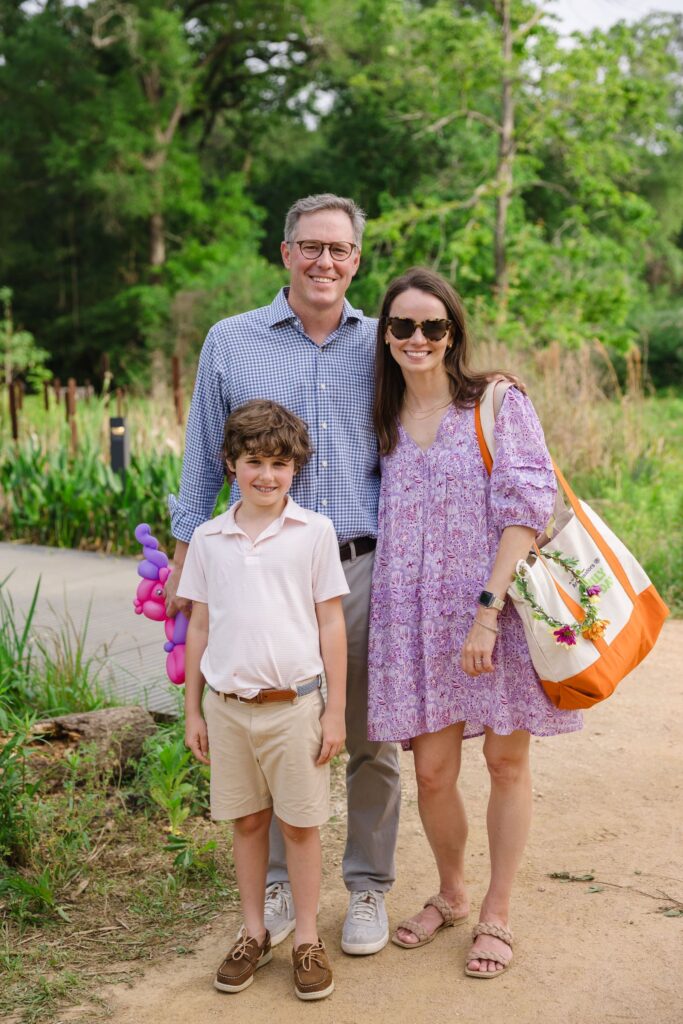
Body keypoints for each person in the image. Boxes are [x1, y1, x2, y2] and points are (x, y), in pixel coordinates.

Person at [166, 193, 400, 955]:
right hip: (255, 569)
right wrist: (181, 557)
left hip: (359, 566)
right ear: (285, 252)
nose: (323, 261)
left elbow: (435, 413)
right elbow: (204, 452)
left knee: (366, 736)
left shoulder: (386, 342)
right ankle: (270, 884)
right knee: (264, 721)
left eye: (338, 249)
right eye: (310, 247)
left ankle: (365, 888)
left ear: (356, 260)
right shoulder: (231, 342)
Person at [367, 267, 583, 978]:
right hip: (412, 620)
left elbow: (528, 505)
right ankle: (451, 892)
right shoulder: (380, 416)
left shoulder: (494, 401)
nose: (418, 337)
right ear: (386, 334)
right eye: (402, 325)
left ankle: (496, 909)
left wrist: (486, 616)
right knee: (430, 773)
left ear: (453, 331)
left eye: (432, 325)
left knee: (503, 760)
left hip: (495, 611)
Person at [180, 399, 348, 1000]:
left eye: (279, 463)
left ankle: (306, 938)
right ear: (231, 464)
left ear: (295, 469)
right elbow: (198, 626)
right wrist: (193, 710)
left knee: (300, 826)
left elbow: (331, 624)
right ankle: (254, 932)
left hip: (295, 706)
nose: (266, 475)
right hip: (227, 708)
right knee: (248, 822)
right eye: (254, 462)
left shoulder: (314, 533)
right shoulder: (208, 538)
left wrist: (334, 710)